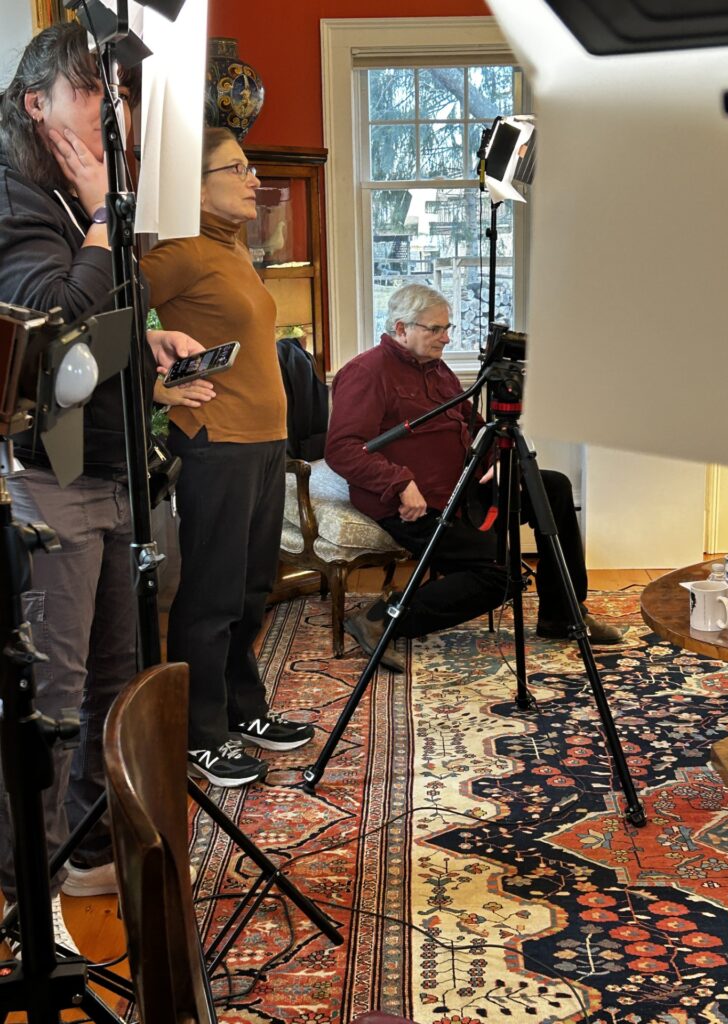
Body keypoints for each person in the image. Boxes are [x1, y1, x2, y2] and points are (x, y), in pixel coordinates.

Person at [0, 22, 211, 940]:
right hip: (52, 474)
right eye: (93, 90)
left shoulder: (78, 193)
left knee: (118, 685)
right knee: (54, 698)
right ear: (35, 102)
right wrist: (97, 216)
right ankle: (26, 894)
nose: (113, 110)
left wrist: (149, 342)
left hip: (109, 461)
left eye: (118, 94)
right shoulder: (16, 192)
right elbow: (47, 321)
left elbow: (93, 340)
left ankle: (89, 854)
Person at [325, 283, 626, 671]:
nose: (446, 338)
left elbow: (475, 425)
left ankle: (563, 614)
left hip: (463, 487)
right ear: (401, 328)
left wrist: (501, 459)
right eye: (435, 329)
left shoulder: (438, 370)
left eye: (447, 328)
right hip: (413, 503)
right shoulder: (367, 372)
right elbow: (343, 448)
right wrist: (398, 482)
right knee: (501, 576)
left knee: (551, 486)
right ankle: (382, 617)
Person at [140, 127, 315, 789]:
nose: (253, 179)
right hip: (218, 445)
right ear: (196, 184)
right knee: (211, 597)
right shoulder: (181, 252)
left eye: (250, 167)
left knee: (248, 591)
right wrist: (159, 385)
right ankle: (199, 734)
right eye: (236, 168)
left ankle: (245, 708)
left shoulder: (233, 248)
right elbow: (111, 310)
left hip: (264, 445)